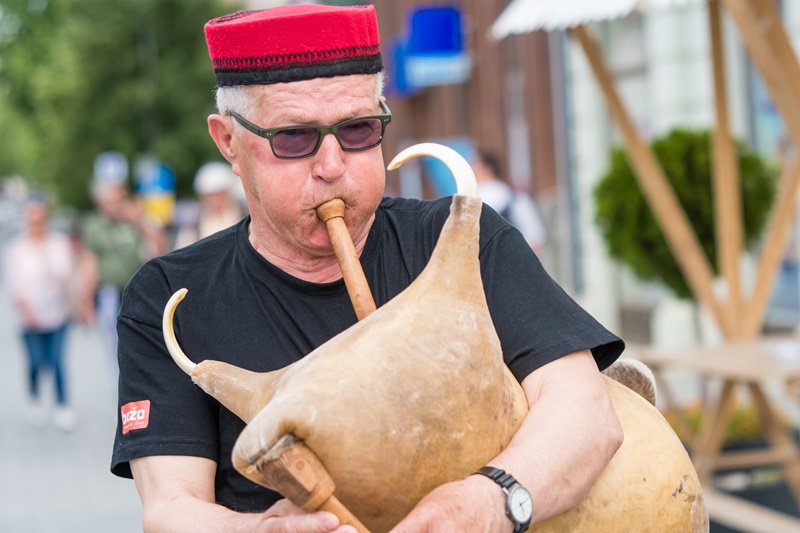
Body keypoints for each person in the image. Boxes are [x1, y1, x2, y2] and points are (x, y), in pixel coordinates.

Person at [111, 5, 624, 532]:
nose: (332, 166)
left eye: (358, 130)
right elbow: (171, 508)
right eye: (293, 138)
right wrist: (262, 530)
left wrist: (493, 501)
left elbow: (585, 411)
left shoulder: (462, 236)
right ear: (228, 142)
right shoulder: (170, 295)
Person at [79, 163, 166, 377]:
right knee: (114, 342)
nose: (118, 199)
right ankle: (120, 383)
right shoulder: (94, 225)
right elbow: (89, 264)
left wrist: (139, 221)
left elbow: (161, 247)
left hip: (136, 290)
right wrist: (86, 301)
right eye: (113, 194)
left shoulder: (134, 220)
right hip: (110, 291)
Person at [3, 194, 78, 431]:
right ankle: (34, 396)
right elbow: (14, 284)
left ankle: (62, 404)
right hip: (29, 317)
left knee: (56, 360)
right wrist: (26, 310)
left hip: (58, 313)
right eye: (31, 215)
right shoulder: (16, 248)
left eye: (40, 215)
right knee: (35, 361)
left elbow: (67, 274)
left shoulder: (57, 243)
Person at [473, 150, 547, 255]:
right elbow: (536, 239)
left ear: (487, 169)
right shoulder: (517, 197)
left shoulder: (471, 198)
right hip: (515, 260)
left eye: (475, 166)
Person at [173, 161, 245, 249]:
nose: (215, 199)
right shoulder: (194, 224)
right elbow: (182, 254)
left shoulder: (244, 217)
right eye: (210, 195)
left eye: (220, 193)